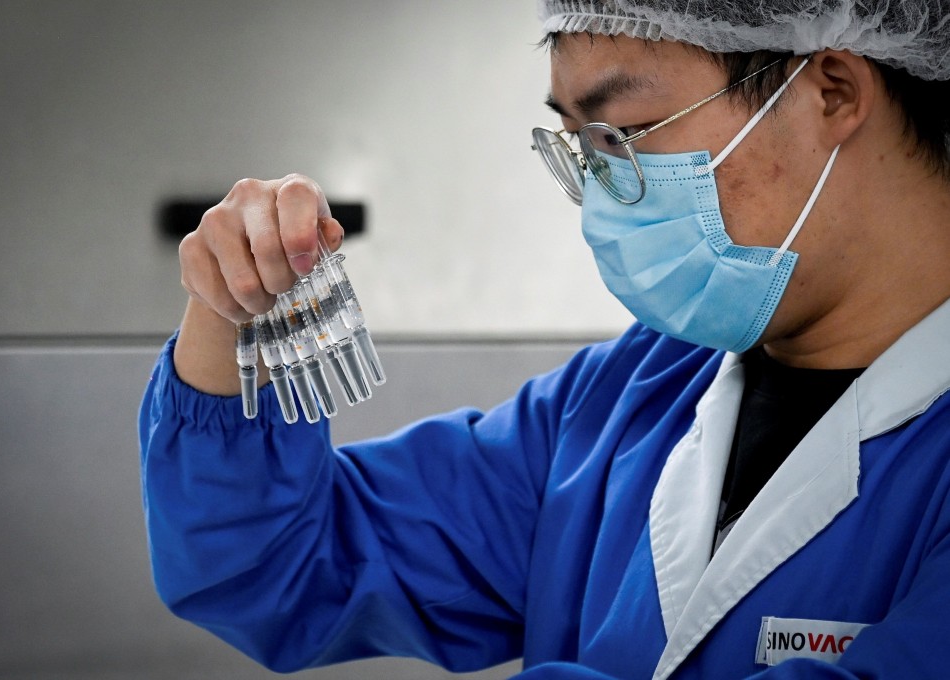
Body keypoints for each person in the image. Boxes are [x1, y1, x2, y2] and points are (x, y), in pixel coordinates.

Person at [139, 1, 950, 677]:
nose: (603, 197)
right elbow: (279, 570)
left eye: (624, 133)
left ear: (832, 91)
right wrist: (232, 306)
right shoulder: (630, 401)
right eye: (581, 147)